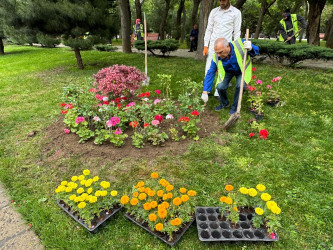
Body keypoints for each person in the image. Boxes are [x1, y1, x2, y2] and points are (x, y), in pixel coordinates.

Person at [201, 38, 259, 115]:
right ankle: (225, 103)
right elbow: (211, 72)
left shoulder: (240, 44)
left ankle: (234, 107)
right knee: (220, 87)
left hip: (242, 70)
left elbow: (256, 51)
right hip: (227, 72)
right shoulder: (216, 56)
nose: (218, 55)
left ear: (227, 46)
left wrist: (251, 48)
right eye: (217, 52)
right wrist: (205, 91)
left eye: (220, 52)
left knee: (240, 86)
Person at [202, 0, 242, 99]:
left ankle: (218, 91)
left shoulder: (236, 13)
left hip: (225, 48)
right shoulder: (214, 12)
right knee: (208, 69)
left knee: (222, 70)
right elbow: (209, 29)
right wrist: (206, 45)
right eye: (220, 0)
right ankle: (206, 91)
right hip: (213, 47)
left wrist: (236, 48)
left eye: (223, 0)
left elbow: (237, 32)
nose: (221, 2)